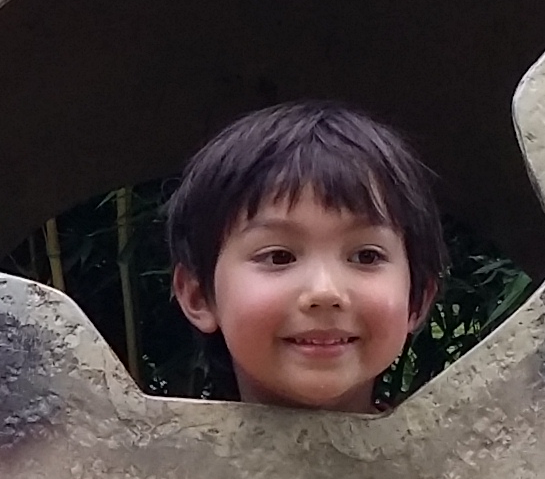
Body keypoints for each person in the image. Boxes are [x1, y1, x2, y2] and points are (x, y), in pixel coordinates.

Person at [163, 99, 447, 412]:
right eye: (279, 257)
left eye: (366, 256)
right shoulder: (150, 446)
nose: (325, 292)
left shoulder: (474, 443)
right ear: (199, 296)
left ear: (417, 299)